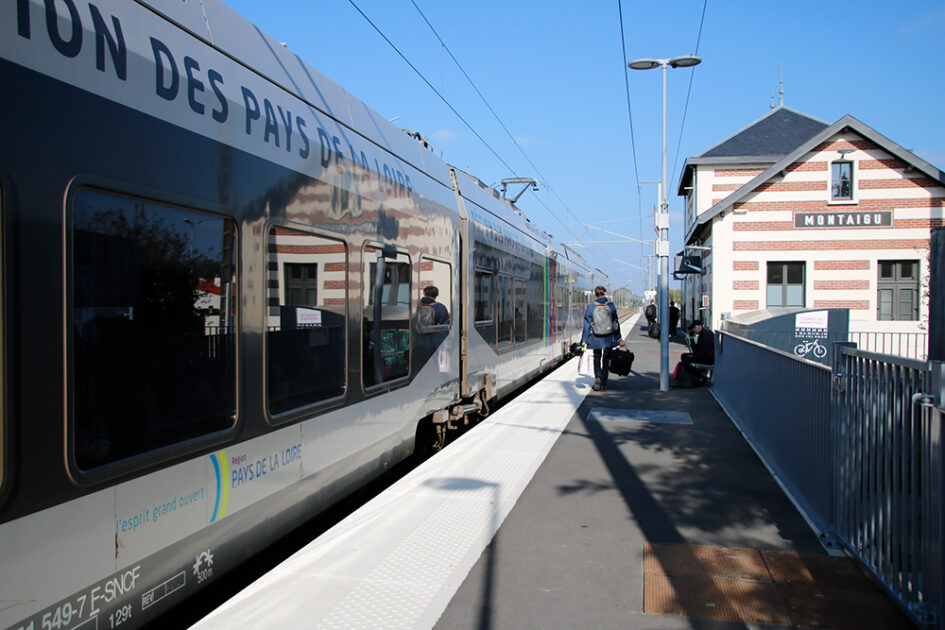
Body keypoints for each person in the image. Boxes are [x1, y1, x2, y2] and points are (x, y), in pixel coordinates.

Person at [581, 286, 626, 391]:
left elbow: (587, 325)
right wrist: (619, 338)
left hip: (596, 337)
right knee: (606, 360)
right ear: (605, 293)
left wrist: (584, 340)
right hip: (609, 338)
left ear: (596, 295)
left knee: (596, 358)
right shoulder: (611, 306)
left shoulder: (591, 307)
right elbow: (615, 323)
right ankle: (603, 384)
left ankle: (598, 376)